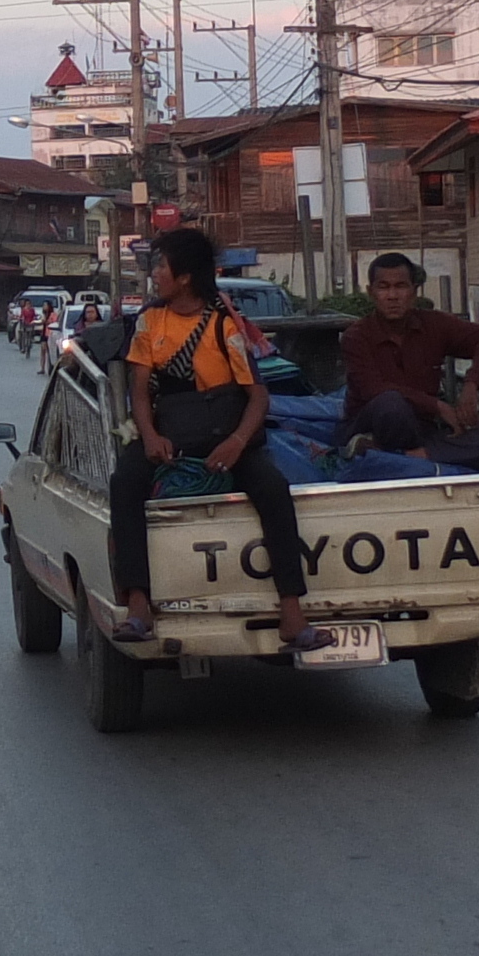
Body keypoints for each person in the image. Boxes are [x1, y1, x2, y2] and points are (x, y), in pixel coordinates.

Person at [111, 227, 332, 654]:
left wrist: (236, 443)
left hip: (225, 436)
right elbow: (139, 391)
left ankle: (291, 611)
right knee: (125, 483)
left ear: (186, 277)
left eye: (161, 265)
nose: (155, 273)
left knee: (272, 487)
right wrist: (152, 436)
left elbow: (258, 397)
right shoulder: (149, 322)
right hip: (172, 434)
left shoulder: (223, 325)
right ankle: (138, 605)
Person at [341, 253, 479, 472]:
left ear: (414, 292)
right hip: (373, 423)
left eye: (401, 286)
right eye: (384, 287)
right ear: (371, 292)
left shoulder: (434, 324)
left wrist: (471, 385)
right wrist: (436, 405)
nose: (393, 296)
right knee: (391, 403)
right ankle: (383, 448)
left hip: (423, 430)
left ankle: (394, 456)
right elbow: (373, 389)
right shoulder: (356, 336)